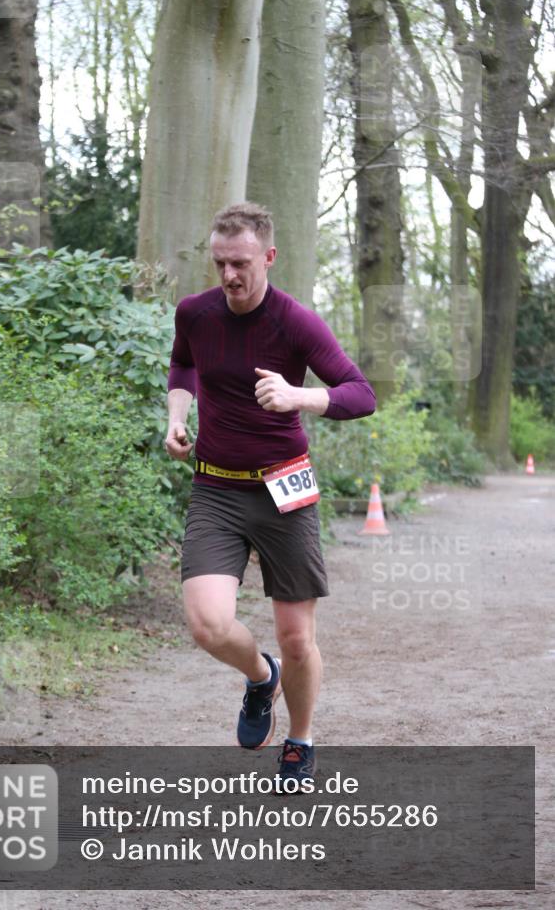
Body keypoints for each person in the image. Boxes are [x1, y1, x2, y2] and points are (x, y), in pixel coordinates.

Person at [164, 202, 376, 789]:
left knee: (297, 635)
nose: (230, 275)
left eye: (242, 263)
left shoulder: (295, 323)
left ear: (269, 257)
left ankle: (300, 741)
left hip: (286, 488)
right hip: (216, 488)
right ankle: (261, 678)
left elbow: (362, 394)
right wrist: (176, 418)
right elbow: (182, 365)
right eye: (221, 262)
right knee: (208, 625)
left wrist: (299, 397)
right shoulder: (196, 313)